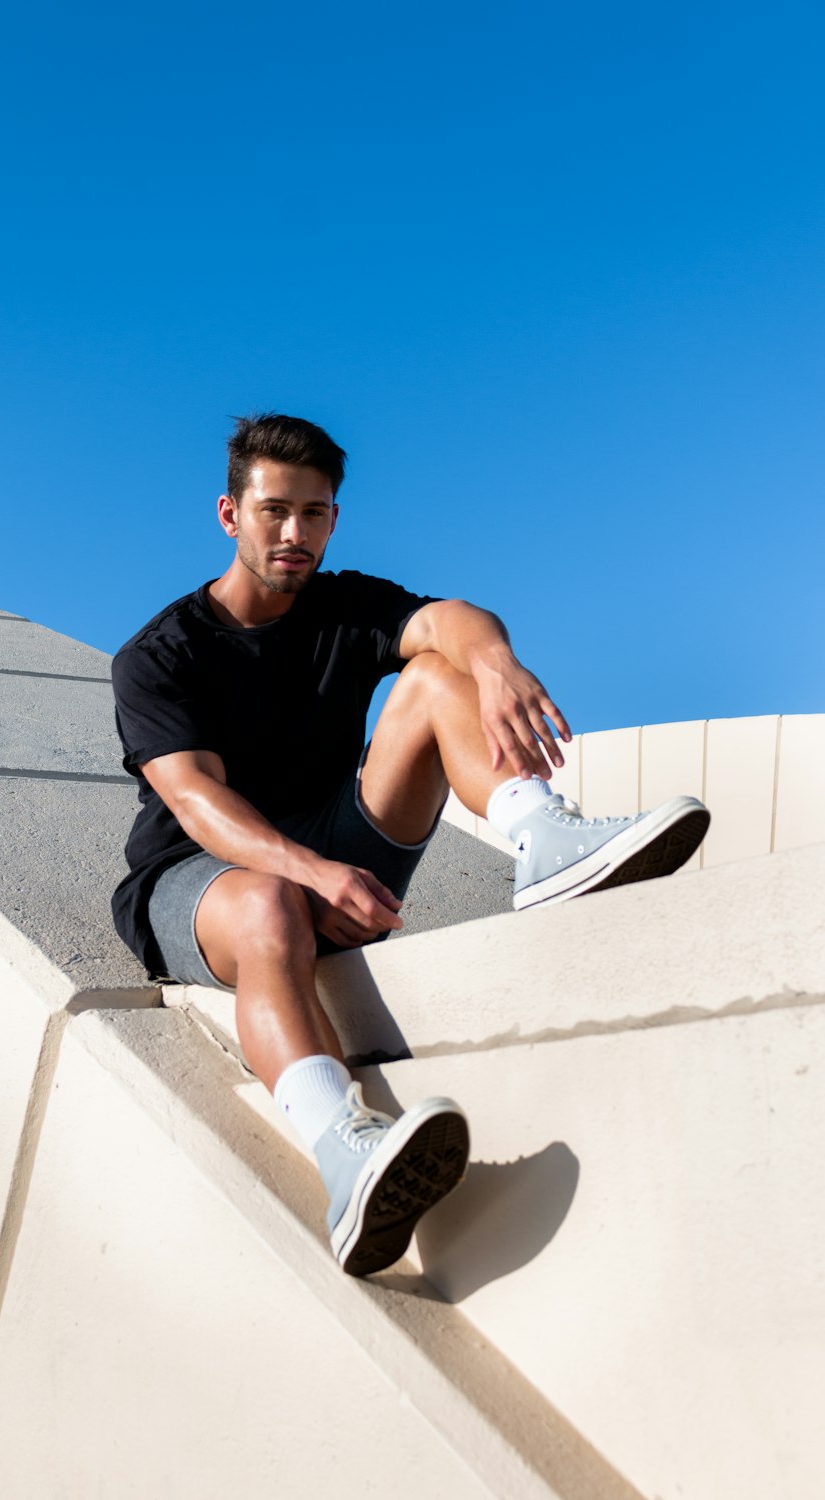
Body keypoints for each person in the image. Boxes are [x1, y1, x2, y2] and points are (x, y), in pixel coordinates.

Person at [111, 414, 709, 1277]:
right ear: (228, 513)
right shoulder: (162, 655)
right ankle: (343, 1149)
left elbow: (451, 620)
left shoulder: (341, 604)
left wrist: (495, 659)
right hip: (202, 884)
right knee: (269, 901)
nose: (295, 533)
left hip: (335, 853)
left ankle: (542, 839)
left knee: (436, 674)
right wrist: (311, 870)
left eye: (315, 514)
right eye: (275, 510)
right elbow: (198, 802)